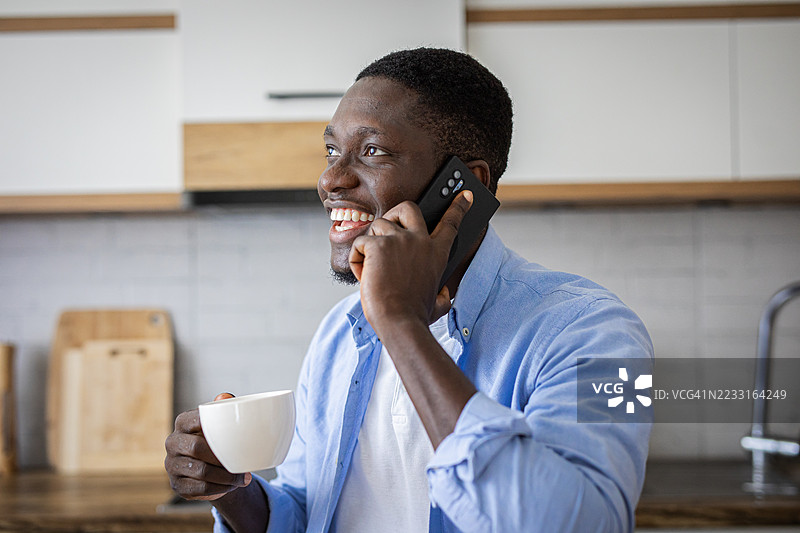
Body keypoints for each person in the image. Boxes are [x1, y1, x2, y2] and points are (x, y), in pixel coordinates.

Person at [165, 47, 653, 533]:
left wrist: (401, 324)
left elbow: (591, 524)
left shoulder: (601, 333)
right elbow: (312, 509)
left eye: (372, 150)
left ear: (464, 188)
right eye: (333, 150)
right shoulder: (339, 332)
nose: (330, 179)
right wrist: (234, 491)